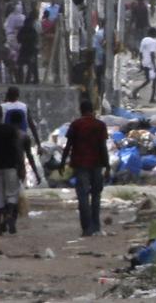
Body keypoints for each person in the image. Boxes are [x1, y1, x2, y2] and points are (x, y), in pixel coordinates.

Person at [60, 98, 111, 237]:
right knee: (96, 196)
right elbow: (103, 147)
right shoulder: (100, 125)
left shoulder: (76, 125)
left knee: (83, 196)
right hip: (97, 164)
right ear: (92, 110)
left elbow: (68, 146)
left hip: (81, 164)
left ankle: (86, 228)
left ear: (81, 111)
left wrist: (62, 162)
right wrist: (107, 166)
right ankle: (96, 226)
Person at [0, 103, 24, 236]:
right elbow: (17, 149)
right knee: (12, 194)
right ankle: (9, 215)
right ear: (1, 115)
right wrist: (21, 166)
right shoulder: (10, 130)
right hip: (11, 167)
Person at [1, 86, 42, 182]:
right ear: (18, 95)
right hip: (22, 137)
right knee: (24, 156)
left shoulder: (2, 106)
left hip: (6, 138)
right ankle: (23, 180)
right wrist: (38, 144)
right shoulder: (24, 106)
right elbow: (32, 125)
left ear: (7, 95)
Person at [129, 29, 156, 104]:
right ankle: (152, 98)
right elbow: (152, 54)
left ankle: (136, 90)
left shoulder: (144, 40)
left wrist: (141, 63)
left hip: (145, 63)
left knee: (148, 80)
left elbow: (140, 52)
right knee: (154, 81)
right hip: (151, 64)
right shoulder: (153, 42)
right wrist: (155, 66)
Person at [18, 6, 40, 84]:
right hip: (31, 49)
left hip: (24, 49)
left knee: (20, 64)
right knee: (32, 65)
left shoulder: (22, 30)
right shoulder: (33, 30)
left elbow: (19, 39)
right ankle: (33, 80)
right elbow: (36, 39)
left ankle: (20, 80)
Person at [91, 21, 106, 98]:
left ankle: (99, 94)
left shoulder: (97, 34)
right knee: (103, 77)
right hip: (104, 59)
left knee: (98, 78)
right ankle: (102, 94)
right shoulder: (106, 33)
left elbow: (94, 46)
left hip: (98, 59)